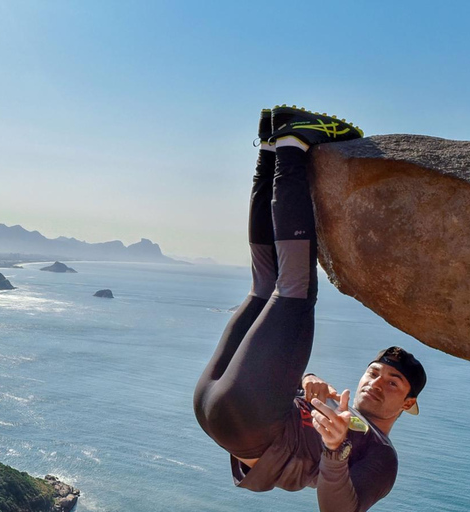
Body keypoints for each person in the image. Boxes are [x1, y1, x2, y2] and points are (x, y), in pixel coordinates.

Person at [192, 105, 427, 512]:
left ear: (409, 403)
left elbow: (339, 509)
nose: (376, 382)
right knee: (266, 286)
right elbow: (275, 374)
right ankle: (269, 148)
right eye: (375, 372)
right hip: (220, 406)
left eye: (393, 383)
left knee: (295, 290)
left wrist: (336, 449)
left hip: (250, 425)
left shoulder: (381, 455)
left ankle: (294, 143)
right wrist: (308, 380)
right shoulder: (338, 407)